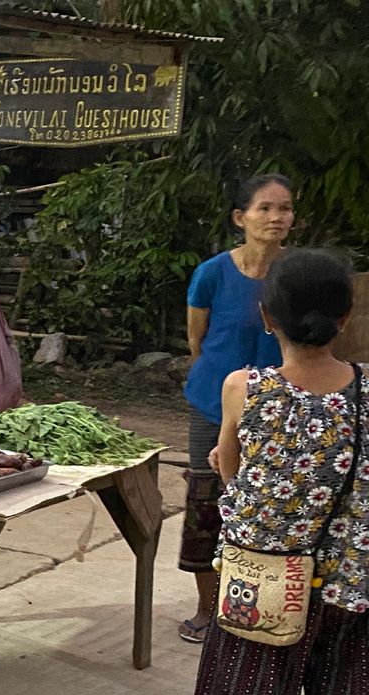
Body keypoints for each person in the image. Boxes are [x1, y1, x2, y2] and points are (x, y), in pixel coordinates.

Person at [161, 248, 369, 695]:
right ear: (345, 317)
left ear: (265, 314)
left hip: (265, 582)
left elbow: (228, 465)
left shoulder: (245, 388)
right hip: (353, 585)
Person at [177, 174, 295, 644]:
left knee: (270, 507)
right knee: (207, 507)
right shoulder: (211, 273)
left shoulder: (296, 274)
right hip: (211, 406)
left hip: (279, 411)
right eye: (265, 208)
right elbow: (197, 341)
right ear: (240, 217)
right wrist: (227, 391)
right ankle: (208, 609)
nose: (275, 217)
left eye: (284, 208)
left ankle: (263, 606)